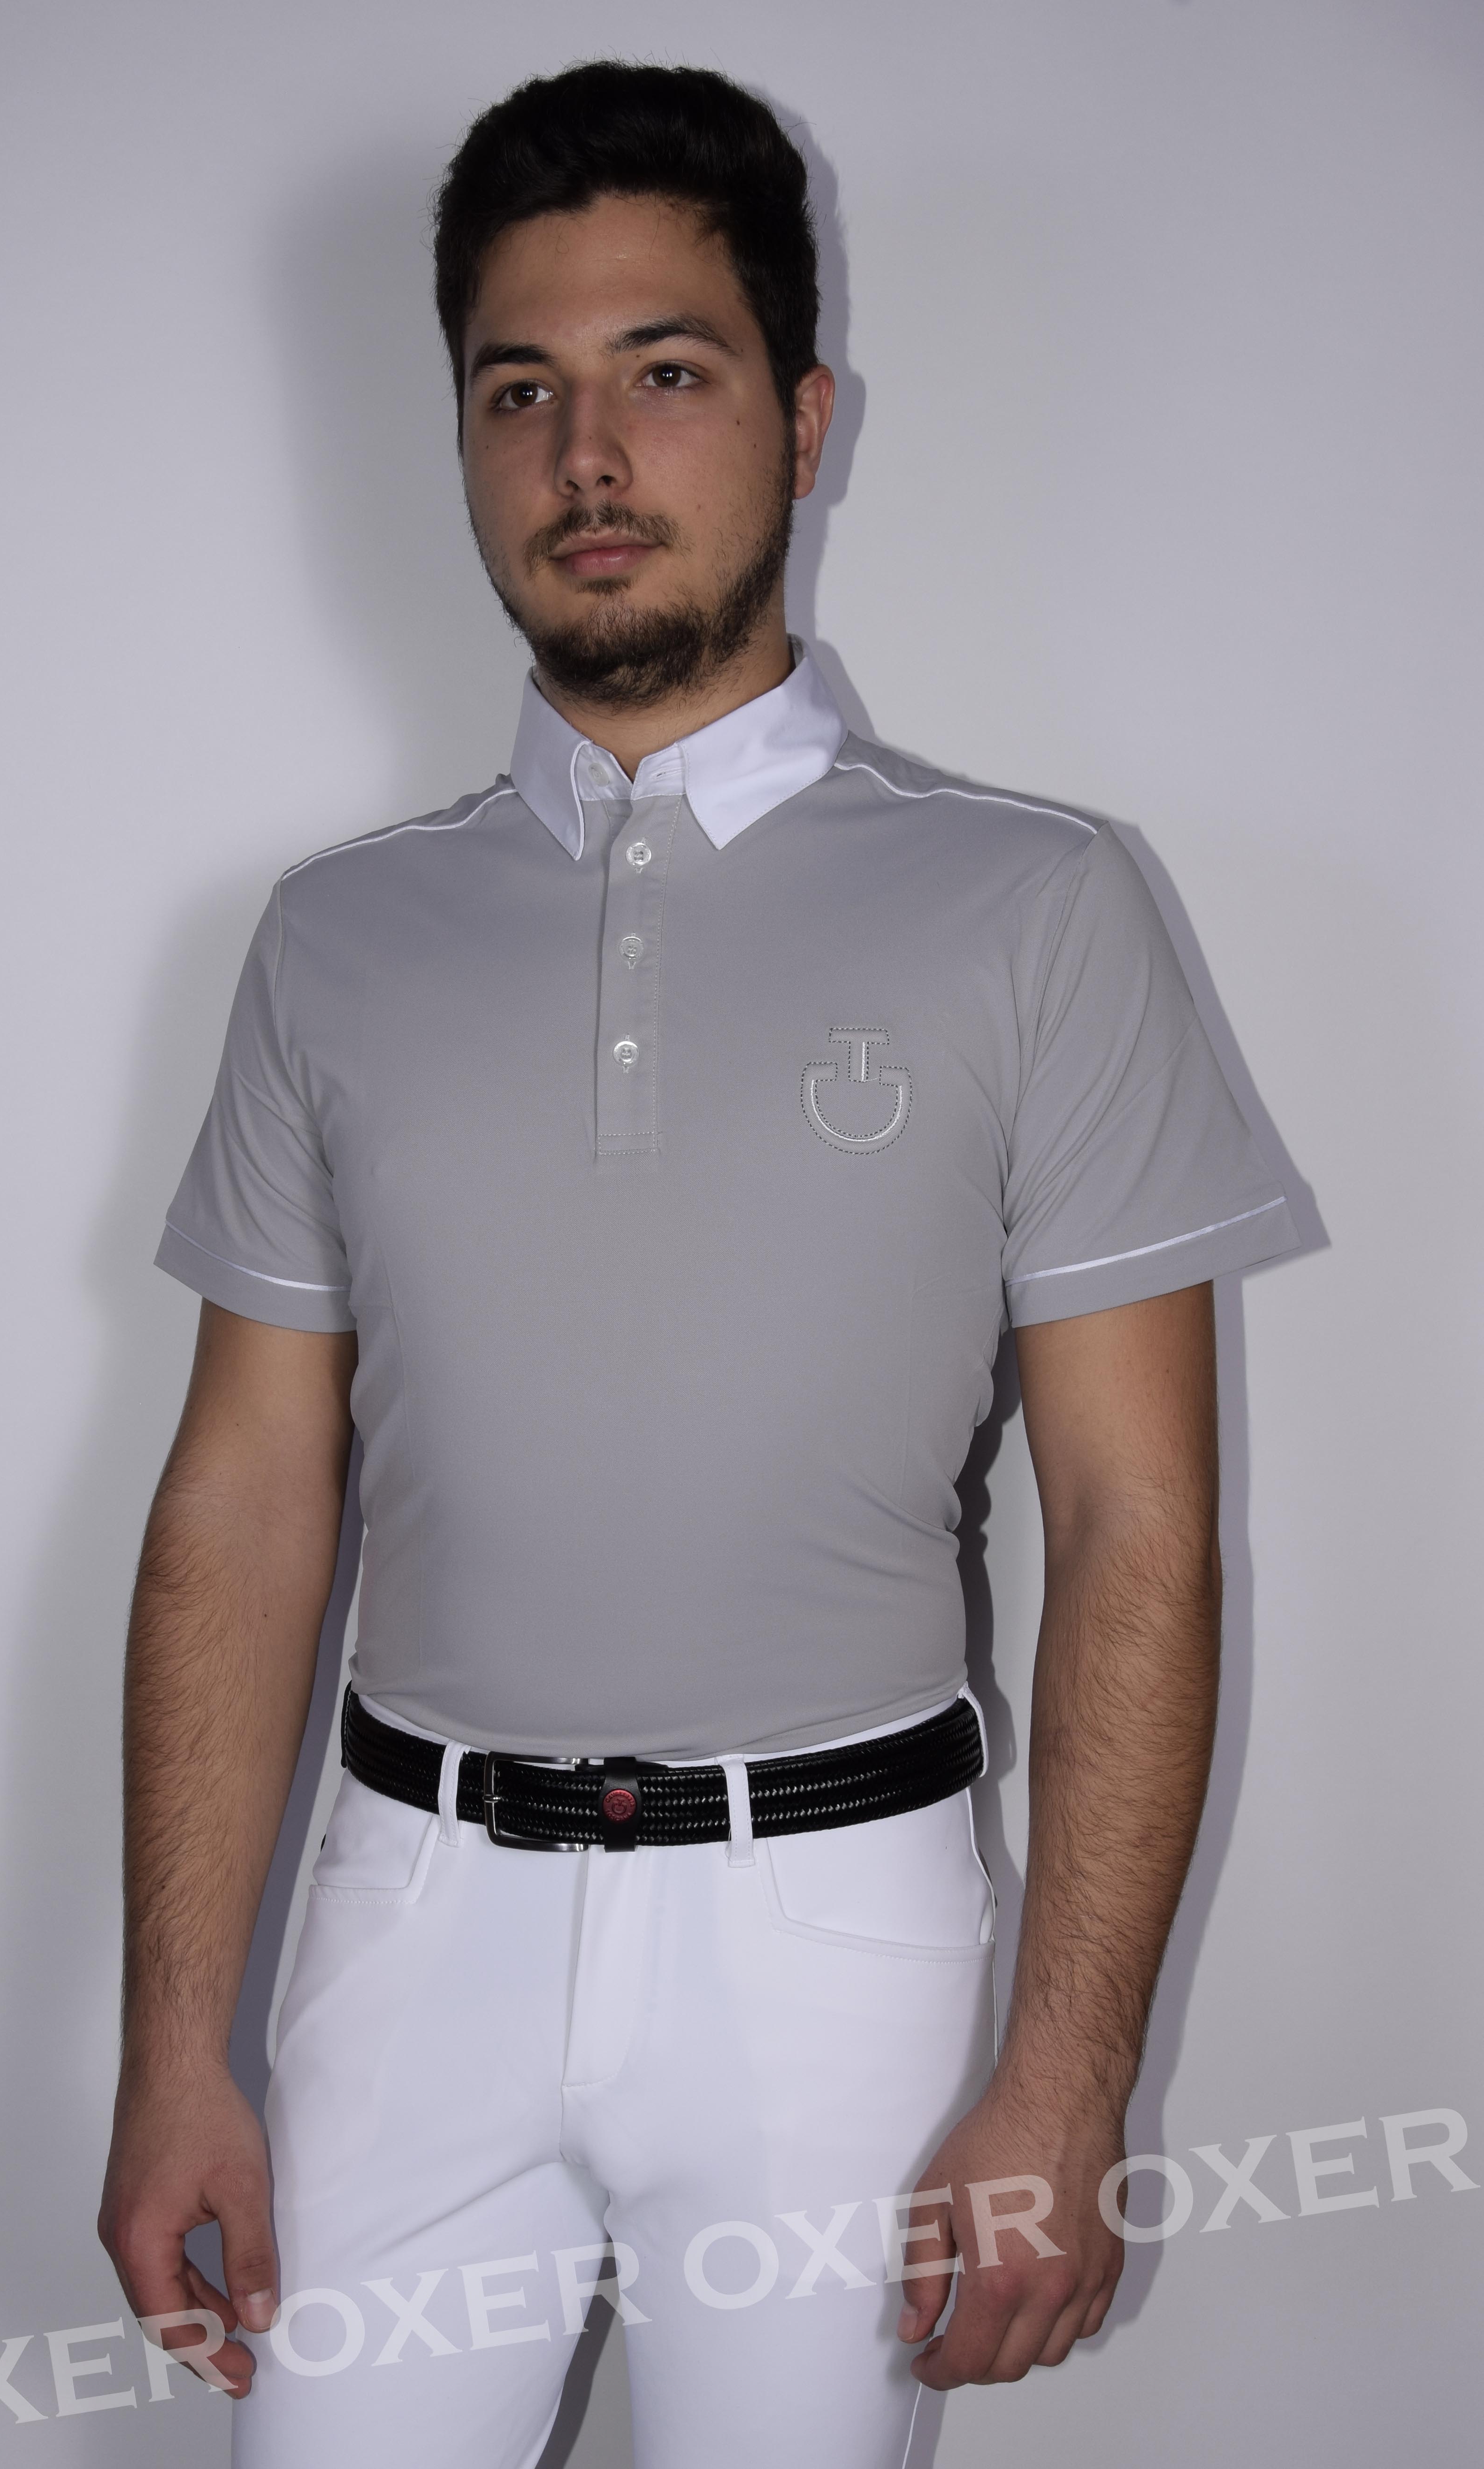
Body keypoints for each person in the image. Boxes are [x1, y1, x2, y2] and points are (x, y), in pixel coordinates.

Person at [98, 60, 1297, 2468]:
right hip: (407, 1923)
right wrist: (169, 2044)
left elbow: (1138, 1526)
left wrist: (1069, 2074)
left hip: (835, 1945)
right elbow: (241, 1501)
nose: (587, 456)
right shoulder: (335, 935)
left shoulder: (1040, 905)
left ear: (806, 418)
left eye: (667, 370)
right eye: (516, 391)